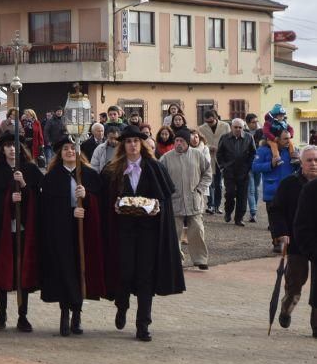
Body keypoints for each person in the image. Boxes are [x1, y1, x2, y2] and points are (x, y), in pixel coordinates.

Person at [102, 125, 185, 342]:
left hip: (149, 233)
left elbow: (164, 200)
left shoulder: (154, 168)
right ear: (123, 145)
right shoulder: (113, 170)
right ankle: (122, 305)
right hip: (123, 232)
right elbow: (104, 200)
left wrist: (156, 207)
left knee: (145, 277)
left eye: (136, 141)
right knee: (125, 273)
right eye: (128, 142)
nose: (132, 145)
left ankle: (143, 324)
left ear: (142, 145)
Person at [39, 136, 108, 336]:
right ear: (60, 154)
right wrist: (68, 212)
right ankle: (64, 314)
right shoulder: (52, 177)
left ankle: (77, 314)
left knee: (80, 268)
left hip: (83, 229)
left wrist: (86, 201)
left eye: (72, 149)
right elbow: (47, 208)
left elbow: (99, 202)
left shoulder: (88, 174)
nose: (70, 151)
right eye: (66, 149)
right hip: (60, 230)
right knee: (63, 269)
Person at [0, 132, 42, 332]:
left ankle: (23, 315)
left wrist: (24, 187)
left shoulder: (29, 169)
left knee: (23, 270)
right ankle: (2, 311)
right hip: (3, 231)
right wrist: (8, 202)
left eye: (16, 145)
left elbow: (38, 198)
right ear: (2, 150)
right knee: (4, 269)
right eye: (8, 146)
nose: (12, 149)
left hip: (24, 230)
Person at [160, 129, 213, 270]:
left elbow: (208, 174)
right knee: (174, 233)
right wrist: (167, 192)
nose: (178, 143)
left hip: (194, 200)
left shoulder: (198, 155)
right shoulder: (166, 158)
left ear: (187, 142)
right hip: (174, 200)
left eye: (182, 141)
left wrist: (200, 189)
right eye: (176, 141)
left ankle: (200, 259)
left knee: (197, 230)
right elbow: (160, 178)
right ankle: (177, 259)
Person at [278, 146, 317, 336]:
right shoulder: (289, 184)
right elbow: (276, 210)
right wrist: (281, 232)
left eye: (316, 160)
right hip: (296, 239)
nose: (313, 164)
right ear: (301, 163)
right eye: (309, 160)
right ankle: (287, 307)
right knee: (295, 282)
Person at [252, 130, 296, 251]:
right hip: (272, 191)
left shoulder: (292, 150)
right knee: (275, 219)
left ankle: (290, 243)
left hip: (289, 190)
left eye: (289, 138)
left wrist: (298, 163)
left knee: (290, 217)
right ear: (277, 139)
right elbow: (255, 167)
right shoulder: (263, 150)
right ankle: (277, 243)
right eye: (285, 139)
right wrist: (270, 164)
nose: (289, 141)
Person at [216, 118, 256, 227]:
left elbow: (253, 153)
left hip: (244, 171)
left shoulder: (249, 137)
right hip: (229, 171)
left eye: (240, 127)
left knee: (242, 196)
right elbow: (219, 154)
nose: (238, 129)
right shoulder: (224, 138)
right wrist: (222, 167)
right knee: (230, 193)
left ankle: (239, 218)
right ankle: (228, 212)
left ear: (243, 128)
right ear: (231, 127)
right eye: (236, 127)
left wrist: (249, 166)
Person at [198, 110, 230, 214]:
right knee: (210, 183)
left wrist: (220, 148)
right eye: (207, 122)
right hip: (208, 158)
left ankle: (217, 205)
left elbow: (229, 140)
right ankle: (210, 205)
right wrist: (208, 147)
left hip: (221, 158)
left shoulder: (225, 126)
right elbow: (200, 142)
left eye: (211, 121)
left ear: (216, 118)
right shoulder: (201, 128)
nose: (209, 123)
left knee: (219, 184)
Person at [246, 113, 264, 223]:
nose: (255, 124)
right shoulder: (244, 133)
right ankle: (253, 212)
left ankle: (254, 211)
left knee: (256, 188)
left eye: (256, 121)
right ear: (248, 123)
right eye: (253, 122)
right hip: (248, 164)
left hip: (258, 164)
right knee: (251, 189)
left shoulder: (261, 132)